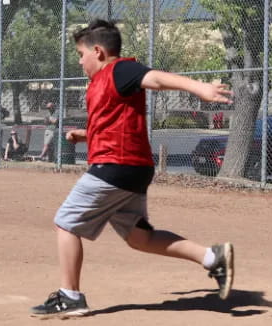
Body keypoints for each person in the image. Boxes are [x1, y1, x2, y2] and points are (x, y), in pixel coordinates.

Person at [30, 19, 235, 317]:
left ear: (98, 51)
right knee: (141, 238)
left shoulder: (120, 69)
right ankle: (212, 257)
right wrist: (83, 135)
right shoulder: (102, 83)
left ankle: (70, 296)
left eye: (81, 53)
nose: (79, 60)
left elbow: (156, 79)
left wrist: (199, 87)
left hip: (115, 167)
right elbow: (114, 125)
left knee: (66, 222)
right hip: (129, 168)